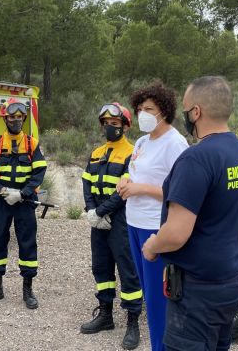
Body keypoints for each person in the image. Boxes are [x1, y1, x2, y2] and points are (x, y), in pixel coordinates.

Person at [142, 76, 238, 350]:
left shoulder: (196, 158)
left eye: (185, 108)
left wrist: (153, 246)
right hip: (231, 282)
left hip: (198, 292)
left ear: (196, 112)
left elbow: (177, 233)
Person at [117, 83, 188, 351]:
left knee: (159, 301)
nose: (142, 114)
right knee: (149, 294)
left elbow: (180, 193)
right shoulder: (142, 141)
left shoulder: (176, 143)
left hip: (155, 228)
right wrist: (126, 181)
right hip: (134, 223)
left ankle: (161, 347)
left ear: (164, 111)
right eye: (139, 109)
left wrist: (140, 188)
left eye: (149, 109)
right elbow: (136, 173)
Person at [80, 103, 143, 350]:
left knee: (128, 270)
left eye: (115, 124)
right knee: (101, 268)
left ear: (125, 126)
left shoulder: (132, 153)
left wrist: (102, 211)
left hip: (121, 219)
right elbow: (86, 183)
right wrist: (91, 212)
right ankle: (106, 315)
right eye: (106, 124)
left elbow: (125, 191)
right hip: (98, 219)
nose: (110, 128)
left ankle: (133, 322)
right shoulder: (96, 153)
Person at [0, 98, 47, 310]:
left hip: (24, 203)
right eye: (12, 117)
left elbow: (39, 171)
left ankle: (28, 290)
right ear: (4, 118)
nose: (16, 121)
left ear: (24, 118)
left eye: (19, 117)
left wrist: (23, 193)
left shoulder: (32, 144)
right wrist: (2, 190)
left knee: (27, 244)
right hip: (1, 202)